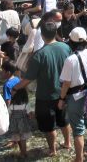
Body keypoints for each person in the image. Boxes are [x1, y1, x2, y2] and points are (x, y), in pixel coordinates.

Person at [14, 22, 72, 157]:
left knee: (48, 125)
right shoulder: (66, 47)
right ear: (55, 32)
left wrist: (16, 87)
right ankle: (68, 143)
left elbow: (28, 79)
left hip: (45, 96)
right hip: (63, 92)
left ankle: (53, 150)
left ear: (42, 35)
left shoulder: (39, 55)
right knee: (63, 120)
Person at [58, 28, 87, 162]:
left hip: (75, 97)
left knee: (78, 130)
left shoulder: (70, 60)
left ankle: (78, 159)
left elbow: (66, 84)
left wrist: (61, 99)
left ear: (71, 42)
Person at [0, 61, 31, 158]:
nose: (1, 73)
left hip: (14, 114)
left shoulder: (7, 85)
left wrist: (7, 115)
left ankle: (22, 152)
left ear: (8, 72)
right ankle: (23, 150)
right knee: (23, 135)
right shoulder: (18, 79)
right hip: (23, 111)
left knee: (16, 133)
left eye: (2, 71)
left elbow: (8, 101)